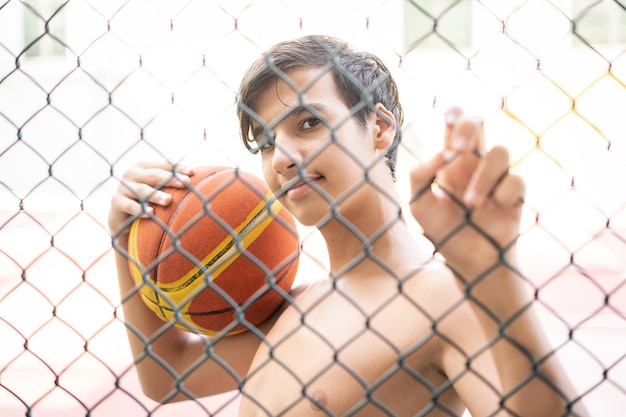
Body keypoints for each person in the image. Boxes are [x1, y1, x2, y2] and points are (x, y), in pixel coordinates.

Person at [109, 35, 588, 416]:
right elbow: (164, 375)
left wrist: (492, 273)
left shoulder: (448, 298)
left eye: (309, 124)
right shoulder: (294, 306)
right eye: (267, 143)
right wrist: (123, 236)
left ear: (380, 128)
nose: (284, 158)